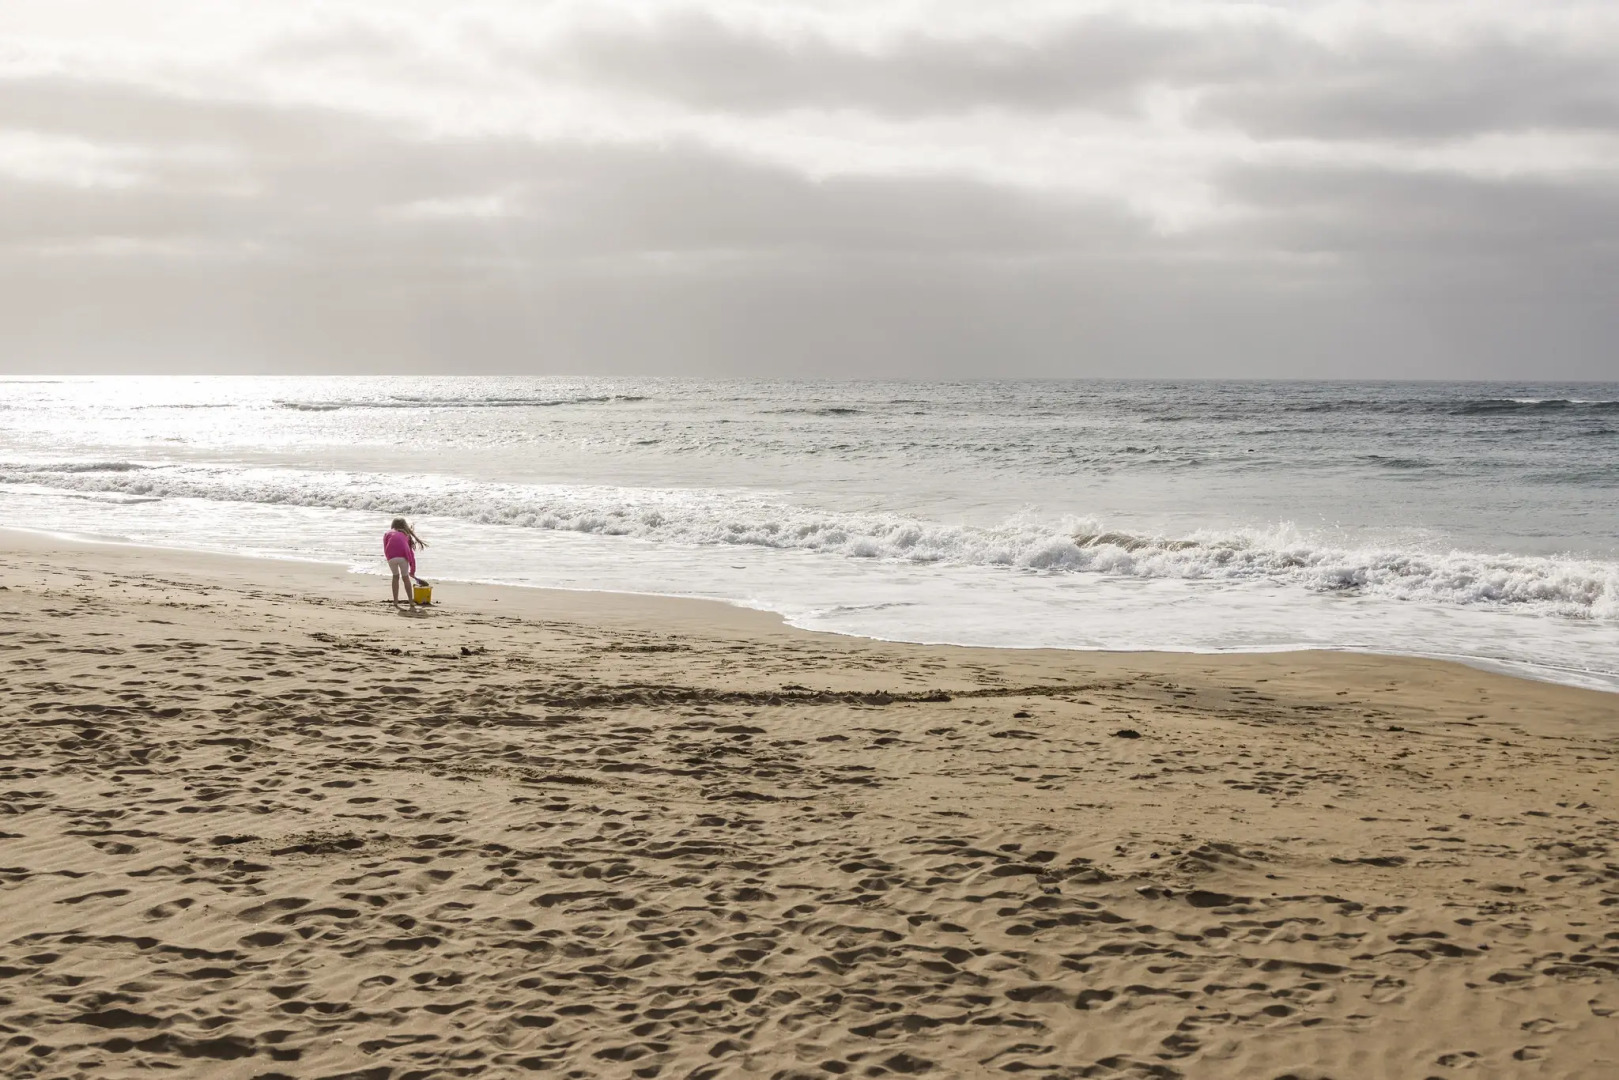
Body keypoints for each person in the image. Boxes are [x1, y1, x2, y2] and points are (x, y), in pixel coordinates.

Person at [383, 518, 428, 607]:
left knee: (395, 577)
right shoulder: (406, 535)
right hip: (403, 557)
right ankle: (411, 601)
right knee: (405, 578)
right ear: (405, 526)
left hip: (391, 557)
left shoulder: (387, 533)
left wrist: (389, 558)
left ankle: (395, 601)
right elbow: (410, 553)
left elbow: (385, 548)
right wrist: (412, 571)